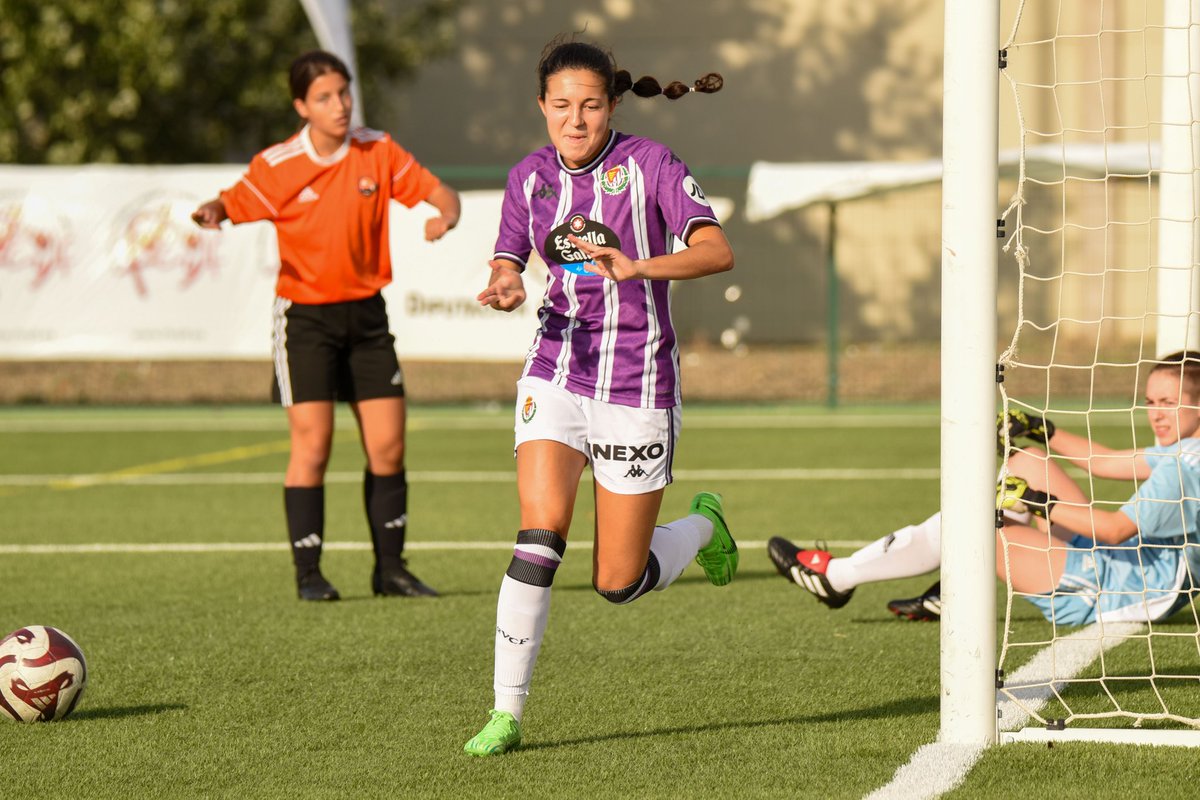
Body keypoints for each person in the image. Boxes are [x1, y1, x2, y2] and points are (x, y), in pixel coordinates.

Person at [461, 38, 737, 757]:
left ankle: (704, 528)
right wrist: (505, 284)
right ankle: (506, 713)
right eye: (561, 106)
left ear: (611, 103)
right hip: (554, 370)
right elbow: (507, 260)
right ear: (542, 108)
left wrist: (638, 265)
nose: (574, 120)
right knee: (538, 535)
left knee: (618, 581)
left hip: (637, 384)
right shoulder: (529, 178)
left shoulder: (651, 165)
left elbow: (716, 250)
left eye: (589, 105)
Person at [191, 50, 461, 602]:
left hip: (367, 317)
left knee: (388, 446)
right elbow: (232, 200)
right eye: (324, 97)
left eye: (343, 92)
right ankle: (309, 575)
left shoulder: (376, 149)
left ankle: (391, 571)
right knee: (313, 446)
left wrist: (445, 215)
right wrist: (215, 211)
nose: (339, 105)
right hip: (306, 319)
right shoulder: (280, 164)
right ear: (301, 106)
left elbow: (442, 194)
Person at [768, 351, 1200, 627]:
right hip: (1128, 562)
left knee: (977, 526)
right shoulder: (1186, 449)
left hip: (1126, 586)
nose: (1156, 414)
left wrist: (1033, 502)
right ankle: (951, 582)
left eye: (1170, 403)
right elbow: (1105, 462)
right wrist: (1042, 430)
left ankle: (841, 577)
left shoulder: (1184, 467)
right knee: (1027, 461)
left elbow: (1112, 530)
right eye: (1151, 402)